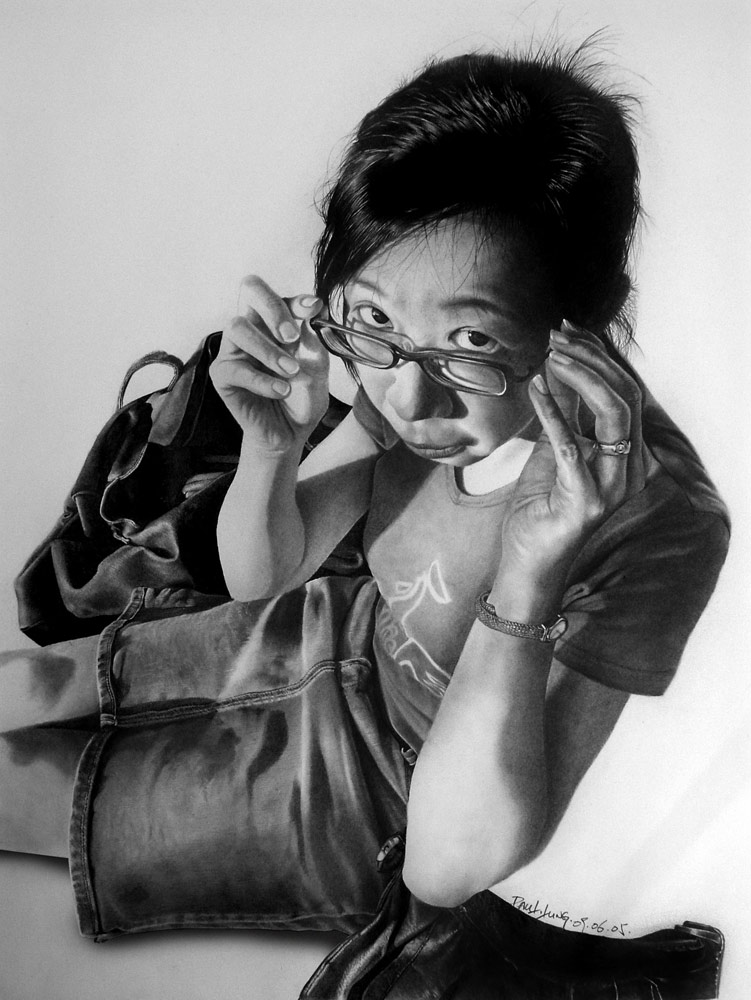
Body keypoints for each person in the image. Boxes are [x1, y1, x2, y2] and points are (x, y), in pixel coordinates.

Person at [0, 46, 729, 996]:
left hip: (381, 802)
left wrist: (527, 575)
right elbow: (265, 575)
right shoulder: (404, 374)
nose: (409, 400)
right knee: (24, 688)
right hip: (321, 640)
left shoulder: (655, 519)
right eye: (374, 322)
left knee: (21, 791)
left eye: (471, 342)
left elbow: (446, 866)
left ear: (578, 325)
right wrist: (272, 446)